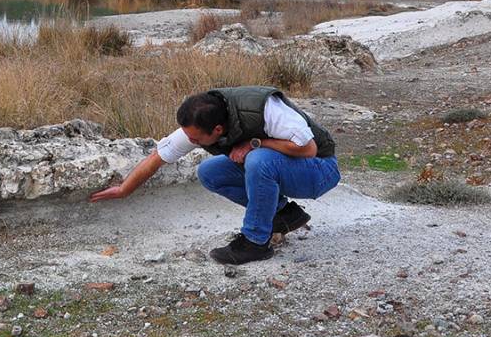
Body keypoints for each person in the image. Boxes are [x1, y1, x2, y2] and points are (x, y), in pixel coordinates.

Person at [89, 86, 341, 265]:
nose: (190, 141)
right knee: (209, 172)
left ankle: (255, 242)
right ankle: (283, 215)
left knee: (258, 159)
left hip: (320, 170)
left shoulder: (266, 109)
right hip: (288, 164)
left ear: (217, 130)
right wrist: (124, 190)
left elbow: (309, 149)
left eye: (195, 139)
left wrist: (255, 143)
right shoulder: (203, 121)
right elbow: (158, 157)